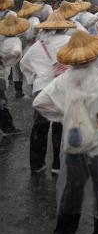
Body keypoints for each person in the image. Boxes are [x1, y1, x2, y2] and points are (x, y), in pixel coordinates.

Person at [32, 31, 98, 234]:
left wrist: (66, 114)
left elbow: (40, 102)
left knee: (72, 190)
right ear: (94, 55)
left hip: (75, 142)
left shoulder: (64, 79)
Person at [21, 11, 76, 174]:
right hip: (63, 89)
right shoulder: (70, 41)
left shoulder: (39, 44)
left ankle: (37, 164)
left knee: (40, 126)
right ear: (64, 28)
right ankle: (58, 165)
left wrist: (36, 76)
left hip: (42, 90)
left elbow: (24, 63)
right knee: (60, 125)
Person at [0, 13, 29, 134]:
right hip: (1, 74)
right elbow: (17, 52)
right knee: (2, 102)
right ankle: (8, 127)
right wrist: (4, 60)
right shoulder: (15, 40)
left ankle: (7, 127)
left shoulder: (1, 37)